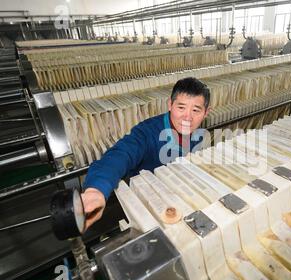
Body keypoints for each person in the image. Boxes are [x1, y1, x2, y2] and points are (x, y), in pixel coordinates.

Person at [81, 77, 210, 230]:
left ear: (206, 113)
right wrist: (97, 189)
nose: (187, 117)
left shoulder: (201, 135)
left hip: (181, 196)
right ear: (170, 104)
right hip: (149, 204)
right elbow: (121, 154)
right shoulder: (147, 132)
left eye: (196, 110)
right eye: (181, 108)